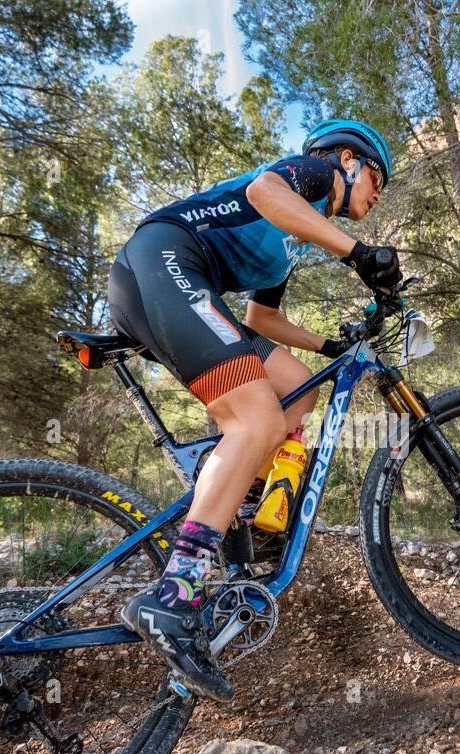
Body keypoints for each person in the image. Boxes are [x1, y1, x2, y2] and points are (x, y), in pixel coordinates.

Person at [111, 119, 403, 701]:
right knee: (257, 420)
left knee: (299, 388)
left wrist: (331, 348)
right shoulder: (311, 176)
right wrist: (359, 253)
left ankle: (240, 504)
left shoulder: (288, 247)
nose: (378, 192)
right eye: (377, 176)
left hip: (179, 282)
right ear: (346, 159)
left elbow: (260, 323)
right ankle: (173, 597)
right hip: (164, 260)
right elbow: (264, 191)